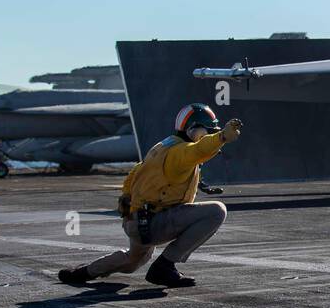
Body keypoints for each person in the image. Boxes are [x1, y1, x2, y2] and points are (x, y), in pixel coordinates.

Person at [59, 103, 241, 289]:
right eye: (208, 131)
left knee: (132, 262)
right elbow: (197, 150)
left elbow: (136, 171)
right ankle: (165, 266)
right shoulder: (180, 151)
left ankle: (83, 273)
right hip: (154, 221)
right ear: (193, 130)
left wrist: (127, 199)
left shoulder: (163, 145)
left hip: (138, 220)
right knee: (216, 211)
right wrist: (222, 137)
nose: (209, 135)